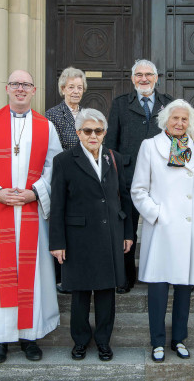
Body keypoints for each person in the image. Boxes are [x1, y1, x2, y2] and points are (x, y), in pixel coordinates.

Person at [0, 69, 63, 364]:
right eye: (15, 84)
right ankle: (0, 339)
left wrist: (35, 192)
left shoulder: (46, 127)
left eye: (26, 85)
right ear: (7, 88)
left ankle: (30, 337)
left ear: (34, 91)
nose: (20, 89)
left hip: (32, 212)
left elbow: (55, 167)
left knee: (33, 275)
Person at [131, 99, 194, 362]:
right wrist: (157, 215)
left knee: (184, 287)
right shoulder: (149, 146)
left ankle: (179, 339)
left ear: (190, 122)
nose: (179, 123)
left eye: (184, 119)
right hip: (160, 227)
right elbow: (138, 189)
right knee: (158, 287)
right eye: (175, 118)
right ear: (165, 120)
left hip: (189, 229)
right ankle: (157, 341)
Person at [49, 109, 134, 362]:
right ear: (78, 133)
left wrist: (128, 233)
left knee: (107, 293)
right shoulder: (64, 160)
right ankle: (80, 341)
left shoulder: (114, 158)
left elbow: (125, 198)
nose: (93, 135)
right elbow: (58, 205)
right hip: (78, 238)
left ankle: (104, 341)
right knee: (81, 294)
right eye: (87, 131)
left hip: (110, 234)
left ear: (105, 133)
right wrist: (57, 242)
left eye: (98, 131)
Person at [105, 59, 173, 293]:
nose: (144, 79)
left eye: (149, 74)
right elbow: (111, 144)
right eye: (139, 75)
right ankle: (126, 276)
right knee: (127, 228)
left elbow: (180, 136)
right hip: (128, 176)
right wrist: (113, 175)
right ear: (132, 79)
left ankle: (165, 272)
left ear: (157, 77)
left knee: (164, 225)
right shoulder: (120, 104)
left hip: (163, 177)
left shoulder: (170, 104)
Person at [45, 66, 88, 294]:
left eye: (79, 87)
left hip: (85, 180)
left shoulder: (87, 114)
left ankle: (77, 274)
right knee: (63, 228)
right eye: (71, 87)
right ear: (63, 89)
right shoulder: (52, 115)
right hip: (63, 179)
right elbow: (52, 150)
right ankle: (61, 277)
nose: (75, 91)